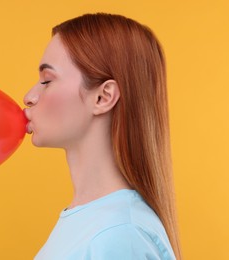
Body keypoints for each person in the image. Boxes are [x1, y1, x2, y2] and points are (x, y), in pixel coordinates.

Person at [23, 13, 181, 259]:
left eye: (46, 81)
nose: (29, 96)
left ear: (103, 97)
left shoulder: (120, 235)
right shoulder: (94, 222)